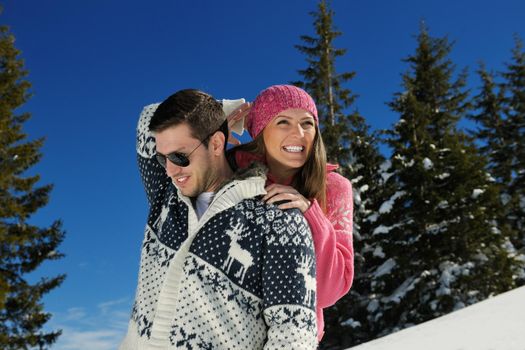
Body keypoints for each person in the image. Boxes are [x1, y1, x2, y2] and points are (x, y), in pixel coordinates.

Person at [120, 89, 318, 349]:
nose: (169, 170)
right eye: (162, 157)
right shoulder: (165, 197)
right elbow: (148, 117)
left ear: (216, 144)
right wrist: (220, 112)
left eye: (180, 156)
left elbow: (294, 336)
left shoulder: (278, 220)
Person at [227, 84, 354, 341]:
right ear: (261, 132)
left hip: (292, 338)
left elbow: (332, 289)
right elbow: (171, 179)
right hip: (227, 332)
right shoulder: (228, 171)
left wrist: (311, 215)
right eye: (283, 122)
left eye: (307, 124)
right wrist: (213, 136)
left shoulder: (333, 188)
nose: (298, 133)